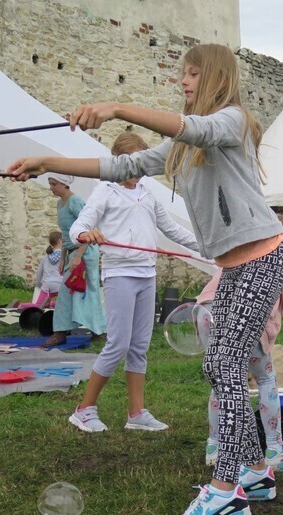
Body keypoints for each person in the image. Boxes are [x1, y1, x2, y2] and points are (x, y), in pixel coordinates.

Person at [7, 43, 283, 515]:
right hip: (235, 267)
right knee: (224, 364)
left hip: (262, 260)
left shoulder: (233, 121)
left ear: (216, 77)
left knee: (223, 363)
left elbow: (194, 126)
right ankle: (256, 472)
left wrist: (115, 107)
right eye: (183, 74)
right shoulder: (182, 148)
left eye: (193, 74)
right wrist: (46, 161)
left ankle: (226, 495)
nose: (183, 82)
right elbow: (118, 169)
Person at [67, 132, 200, 434]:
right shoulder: (105, 190)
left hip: (146, 274)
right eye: (132, 163)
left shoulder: (147, 193)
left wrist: (206, 247)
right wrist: (86, 235)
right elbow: (79, 227)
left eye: (142, 163)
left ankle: (136, 413)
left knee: (139, 346)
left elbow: (172, 230)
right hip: (119, 274)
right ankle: (84, 409)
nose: (138, 170)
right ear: (118, 162)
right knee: (118, 343)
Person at [197, 264, 283, 471]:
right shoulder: (280, 260)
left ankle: (215, 447)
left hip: (206, 311)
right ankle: (275, 449)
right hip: (247, 316)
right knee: (265, 378)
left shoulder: (242, 248)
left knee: (222, 379)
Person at [40, 173, 106, 347]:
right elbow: (65, 234)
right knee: (66, 294)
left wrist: (78, 256)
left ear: (64, 184)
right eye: (50, 184)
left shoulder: (75, 201)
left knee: (88, 292)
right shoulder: (59, 204)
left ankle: (98, 331)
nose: (51, 187)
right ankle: (61, 332)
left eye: (54, 184)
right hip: (71, 253)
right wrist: (63, 258)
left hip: (85, 252)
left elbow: (88, 227)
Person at [32, 230, 62, 308]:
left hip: (47, 284)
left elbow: (40, 271)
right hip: (60, 285)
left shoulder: (47, 255)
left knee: (38, 306)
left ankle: (20, 305)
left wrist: (38, 284)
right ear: (59, 241)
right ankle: (52, 304)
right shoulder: (64, 255)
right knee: (66, 305)